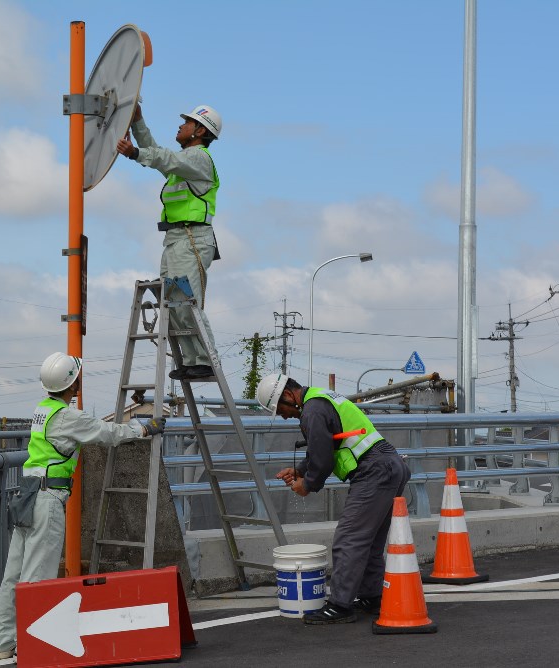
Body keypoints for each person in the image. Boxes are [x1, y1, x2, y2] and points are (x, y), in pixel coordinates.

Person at [0, 352, 167, 659]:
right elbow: (108, 433)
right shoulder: (67, 416)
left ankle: (2, 643)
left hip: (27, 495)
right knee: (37, 578)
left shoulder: (42, 410)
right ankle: (33, 648)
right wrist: (144, 429)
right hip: (47, 499)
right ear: (73, 383)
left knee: (14, 574)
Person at [257, 372, 411, 625]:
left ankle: (340, 605)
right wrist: (299, 470)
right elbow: (326, 446)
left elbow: (323, 458)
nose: (284, 415)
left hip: (374, 471)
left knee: (348, 539)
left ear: (287, 395)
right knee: (368, 542)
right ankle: (373, 596)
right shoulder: (321, 400)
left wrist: (306, 485)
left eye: (280, 409)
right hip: (389, 465)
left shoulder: (312, 411)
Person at [117, 103, 222, 380]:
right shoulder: (184, 164)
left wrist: (136, 153)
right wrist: (139, 122)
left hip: (192, 238)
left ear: (200, 131)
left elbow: (162, 157)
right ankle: (190, 360)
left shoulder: (199, 159)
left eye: (186, 122)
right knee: (173, 303)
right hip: (176, 239)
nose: (180, 126)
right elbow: (161, 155)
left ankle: (205, 361)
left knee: (187, 303)